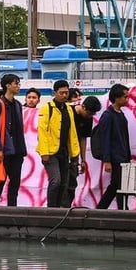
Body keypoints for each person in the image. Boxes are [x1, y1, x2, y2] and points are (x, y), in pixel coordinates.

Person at [36, 80, 80, 208]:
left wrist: (74, 153)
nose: (64, 95)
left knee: (64, 183)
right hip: (50, 152)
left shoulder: (68, 109)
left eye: (66, 93)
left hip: (64, 151)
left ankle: (59, 207)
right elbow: (42, 131)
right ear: (55, 93)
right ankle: (51, 208)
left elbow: (72, 132)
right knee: (56, 180)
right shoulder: (47, 108)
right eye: (61, 93)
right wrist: (44, 152)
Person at [0, 74, 27, 207]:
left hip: (17, 149)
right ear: (7, 85)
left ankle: (12, 210)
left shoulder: (17, 105)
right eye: (16, 83)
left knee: (15, 182)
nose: (18, 86)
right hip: (4, 149)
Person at [96, 84, 132, 210]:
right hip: (115, 157)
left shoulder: (120, 114)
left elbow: (124, 137)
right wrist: (107, 160)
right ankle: (121, 209)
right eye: (124, 97)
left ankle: (105, 208)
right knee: (118, 184)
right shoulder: (108, 115)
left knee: (118, 184)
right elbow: (105, 140)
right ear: (116, 98)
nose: (127, 99)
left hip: (123, 157)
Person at [64, 95, 101, 207]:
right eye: (89, 113)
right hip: (63, 151)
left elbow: (83, 139)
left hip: (74, 154)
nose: (90, 116)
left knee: (72, 183)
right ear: (83, 107)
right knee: (62, 181)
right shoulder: (68, 112)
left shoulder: (88, 119)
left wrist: (83, 159)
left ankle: (67, 207)